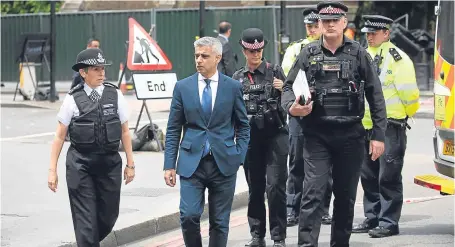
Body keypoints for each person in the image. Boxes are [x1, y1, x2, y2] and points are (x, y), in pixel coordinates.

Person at [281, 2, 388, 246]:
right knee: (312, 195)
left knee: (345, 197)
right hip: (316, 135)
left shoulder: (359, 53)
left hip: (350, 136)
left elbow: (376, 95)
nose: (329, 24)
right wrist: (292, 107)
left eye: (334, 20)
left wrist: (378, 135)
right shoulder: (307, 53)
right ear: (318, 24)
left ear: (343, 23)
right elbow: (287, 88)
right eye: (324, 20)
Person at [163, 36, 250, 247]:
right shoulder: (183, 87)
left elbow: (243, 126)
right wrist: (169, 165)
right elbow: (174, 128)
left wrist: (239, 155)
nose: (199, 60)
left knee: (220, 222)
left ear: (218, 57)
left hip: (224, 162)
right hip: (192, 163)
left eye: (204, 56)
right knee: (189, 215)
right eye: (196, 56)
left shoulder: (232, 87)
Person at [47, 48, 135, 247]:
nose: (102, 73)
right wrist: (52, 170)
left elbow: (125, 131)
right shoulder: (72, 98)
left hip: (110, 164)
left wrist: (131, 164)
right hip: (81, 165)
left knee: (108, 216)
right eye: (96, 69)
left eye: (103, 68)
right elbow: (60, 135)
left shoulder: (115, 94)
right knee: (85, 221)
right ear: (83, 72)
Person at [352, 14, 420, 238]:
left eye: (374, 33)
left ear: (386, 33)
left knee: (388, 176)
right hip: (365, 125)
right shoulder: (361, 56)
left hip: (391, 126)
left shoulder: (398, 59)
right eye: (367, 34)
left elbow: (410, 96)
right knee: (368, 176)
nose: (369, 37)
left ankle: (389, 221)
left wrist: (402, 117)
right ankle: (372, 217)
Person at [232, 28, 288, 247]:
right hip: (250, 140)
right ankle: (257, 235)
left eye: (259, 50)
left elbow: (294, 101)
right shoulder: (237, 78)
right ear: (243, 49)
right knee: (255, 189)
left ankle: (278, 237)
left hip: (275, 137)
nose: (255, 54)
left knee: (275, 187)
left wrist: (285, 89)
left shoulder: (276, 72)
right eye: (250, 50)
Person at [281, 7, 333, 227]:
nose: (312, 29)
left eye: (315, 25)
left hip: (324, 115)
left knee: (325, 165)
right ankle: (293, 208)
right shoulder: (295, 50)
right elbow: (287, 81)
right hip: (299, 115)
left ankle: (322, 209)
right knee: (296, 163)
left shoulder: (331, 49)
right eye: (309, 26)